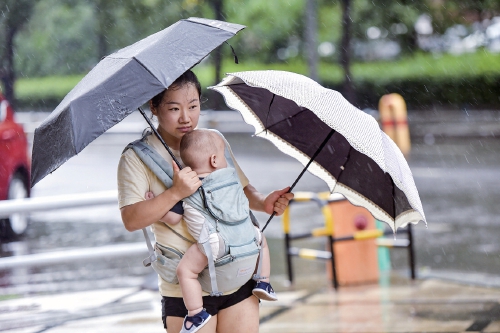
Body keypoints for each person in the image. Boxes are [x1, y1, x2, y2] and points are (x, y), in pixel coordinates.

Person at [117, 69, 294, 333]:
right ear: (153, 107)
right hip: (185, 291)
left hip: (236, 275)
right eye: (174, 108)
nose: (186, 118)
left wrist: (264, 202)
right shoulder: (136, 158)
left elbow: (240, 190)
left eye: (193, 106)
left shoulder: (213, 141)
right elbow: (131, 220)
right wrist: (175, 193)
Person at [145, 129, 277, 332]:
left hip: (215, 243)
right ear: (214, 160)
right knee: (263, 240)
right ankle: (264, 281)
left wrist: (155, 203)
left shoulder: (187, 187)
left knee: (185, 271)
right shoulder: (233, 181)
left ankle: (196, 313)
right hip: (248, 237)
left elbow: (173, 218)